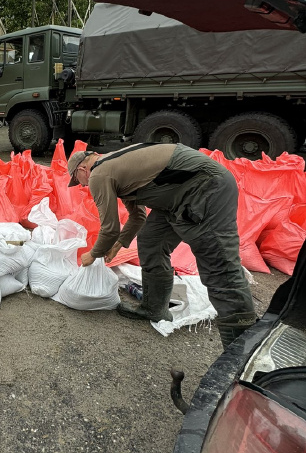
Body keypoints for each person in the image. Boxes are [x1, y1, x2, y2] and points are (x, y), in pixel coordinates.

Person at [68, 143, 256, 349]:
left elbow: (110, 227)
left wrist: (93, 254)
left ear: (81, 170)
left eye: (78, 182)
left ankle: (241, 350)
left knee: (219, 265)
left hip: (206, 188)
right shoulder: (116, 166)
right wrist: (118, 245)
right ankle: (154, 308)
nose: (83, 186)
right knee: (151, 241)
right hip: (176, 197)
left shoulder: (98, 174)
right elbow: (138, 216)